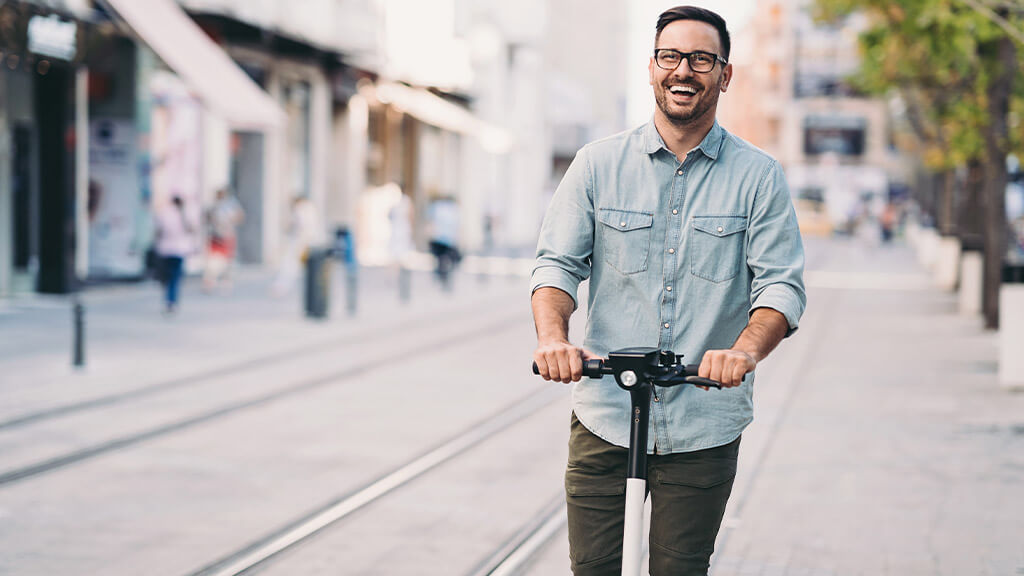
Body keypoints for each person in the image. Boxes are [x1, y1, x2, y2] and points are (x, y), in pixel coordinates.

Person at [531, 7, 806, 575]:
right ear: (652, 68)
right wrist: (554, 339)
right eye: (671, 56)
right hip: (605, 416)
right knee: (594, 569)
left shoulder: (759, 177)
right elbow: (557, 266)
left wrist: (743, 353)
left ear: (724, 75)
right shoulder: (596, 165)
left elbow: (780, 284)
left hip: (703, 423)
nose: (685, 70)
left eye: (702, 59)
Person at [272, 196, 326, 297]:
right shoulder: (311, 208)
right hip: (310, 242)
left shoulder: (300, 209)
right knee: (301, 266)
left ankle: (281, 287)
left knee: (290, 265)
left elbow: (299, 225)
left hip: (300, 242)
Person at [155, 195, 198, 315]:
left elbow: (158, 231)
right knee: (175, 278)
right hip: (179, 250)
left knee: (167, 277)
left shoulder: (164, 214)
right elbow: (191, 230)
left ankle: (168, 299)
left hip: (165, 249)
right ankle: (171, 301)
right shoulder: (185, 214)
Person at [203, 188, 245, 292]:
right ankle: (210, 281)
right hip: (216, 236)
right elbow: (207, 218)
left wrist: (230, 221)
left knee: (227, 261)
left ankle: (225, 281)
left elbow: (240, 217)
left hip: (227, 236)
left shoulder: (230, 205)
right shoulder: (214, 206)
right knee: (213, 260)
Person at [427, 194, 460, 290]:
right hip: (449, 238)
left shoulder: (436, 206)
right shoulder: (455, 209)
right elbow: (458, 224)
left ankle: (440, 275)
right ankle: (444, 275)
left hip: (438, 237)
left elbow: (430, 221)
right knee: (446, 258)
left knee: (439, 258)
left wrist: (430, 234)